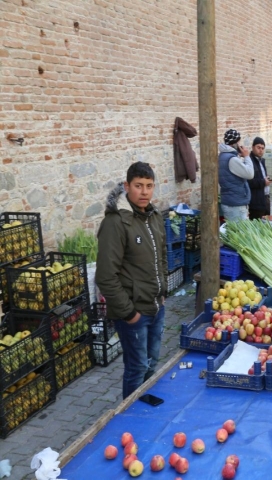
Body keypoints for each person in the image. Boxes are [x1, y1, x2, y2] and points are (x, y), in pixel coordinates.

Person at [96, 162, 168, 399]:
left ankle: (144, 408)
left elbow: (162, 256)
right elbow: (106, 277)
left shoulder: (154, 216)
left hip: (156, 306)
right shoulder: (115, 222)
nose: (144, 192)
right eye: (138, 186)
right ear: (127, 186)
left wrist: (163, 292)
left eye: (149, 186)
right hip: (134, 314)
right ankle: (129, 420)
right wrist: (129, 313)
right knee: (136, 369)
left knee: (151, 363)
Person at [218, 129, 254, 222]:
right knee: (240, 234)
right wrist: (246, 156)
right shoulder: (232, 159)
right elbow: (250, 174)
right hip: (235, 205)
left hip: (232, 203)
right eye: (239, 142)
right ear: (235, 143)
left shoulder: (224, 156)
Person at [248, 137, 271, 220]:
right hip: (255, 203)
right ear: (253, 147)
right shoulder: (249, 162)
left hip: (265, 199)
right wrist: (263, 182)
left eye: (262, 148)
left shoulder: (262, 161)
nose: (261, 150)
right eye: (258, 147)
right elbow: (248, 181)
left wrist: (267, 179)